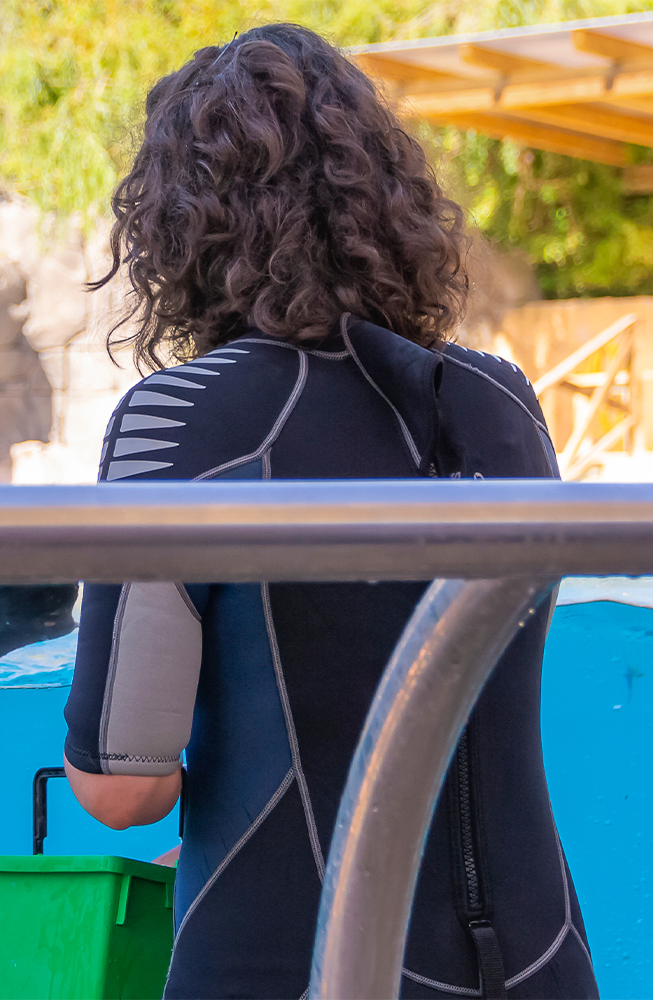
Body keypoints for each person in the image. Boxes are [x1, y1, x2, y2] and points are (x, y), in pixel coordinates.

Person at [62, 24, 597, 1000]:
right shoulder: (504, 403)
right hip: (539, 962)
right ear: (387, 199)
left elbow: (122, 788)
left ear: (180, 223)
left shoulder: (179, 421)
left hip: (293, 967)